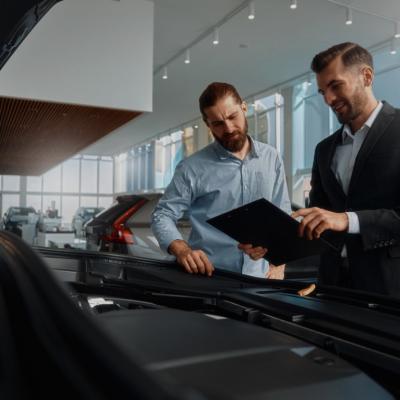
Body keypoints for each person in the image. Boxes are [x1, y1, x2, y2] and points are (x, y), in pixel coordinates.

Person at [289, 42, 400, 295]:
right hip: (332, 283)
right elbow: (318, 220)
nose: (328, 99)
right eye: (322, 92)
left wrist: (346, 219)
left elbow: (339, 220)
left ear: (367, 77)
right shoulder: (324, 149)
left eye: (335, 86)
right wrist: (272, 245)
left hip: (391, 287)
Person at [151, 82, 291, 278]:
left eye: (233, 117)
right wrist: (182, 249)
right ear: (208, 124)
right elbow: (162, 215)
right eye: (217, 123)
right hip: (209, 278)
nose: (229, 128)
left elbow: (282, 214)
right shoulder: (191, 167)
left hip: (260, 279)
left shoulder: (272, 157)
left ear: (244, 107)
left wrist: (279, 260)